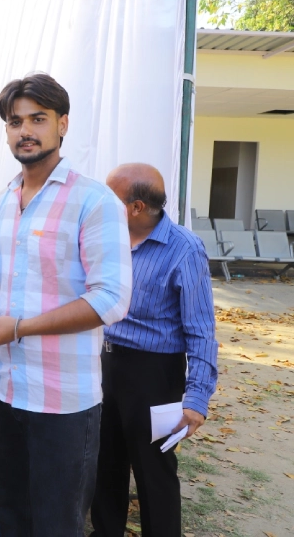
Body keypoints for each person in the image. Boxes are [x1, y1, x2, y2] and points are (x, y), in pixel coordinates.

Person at [0, 73, 132, 536]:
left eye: (38, 119)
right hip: (4, 390)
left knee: (57, 524)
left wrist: (20, 327)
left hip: (63, 402)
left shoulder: (94, 200)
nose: (25, 131)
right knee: (11, 517)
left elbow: (111, 299)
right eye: (15, 122)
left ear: (63, 124)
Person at [90, 163, 217, 537]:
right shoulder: (106, 239)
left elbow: (201, 330)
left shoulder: (184, 249)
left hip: (153, 375)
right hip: (102, 364)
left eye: (110, 198)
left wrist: (197, 399)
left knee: (154, 471)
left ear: (137, 207)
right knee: (104, 464)